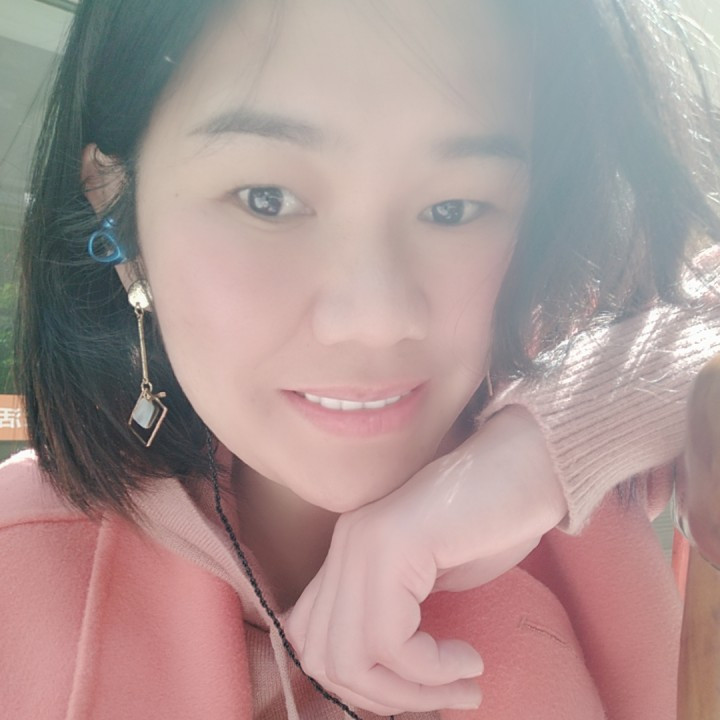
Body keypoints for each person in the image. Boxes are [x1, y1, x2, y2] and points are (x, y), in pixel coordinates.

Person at [2, 0, 719, 718]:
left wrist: (538, 454)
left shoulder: (580, 483)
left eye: (453, 208)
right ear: (119, 210)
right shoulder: (18, 563)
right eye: (267, 199)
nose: (376, 319)